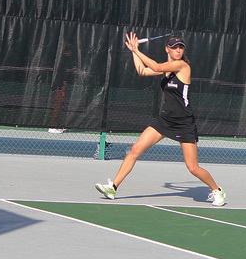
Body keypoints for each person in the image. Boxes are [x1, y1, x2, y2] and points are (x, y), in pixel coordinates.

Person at [95, 32, 226, 206]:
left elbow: (155, 67)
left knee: (193, 168)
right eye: (174, 47)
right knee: (134, 150)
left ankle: (217, 190)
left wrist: (136, 49)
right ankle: (113, 187)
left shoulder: (183, 66)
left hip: (184, 123)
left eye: (181, 47)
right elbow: (142, 70)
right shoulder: (167, 69)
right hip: (164, 121)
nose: (178, 50)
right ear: (167, 49)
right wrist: (134, 52)